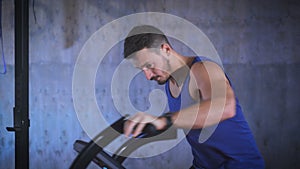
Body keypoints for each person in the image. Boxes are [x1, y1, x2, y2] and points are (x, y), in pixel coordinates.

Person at [122, 25, 264, 169]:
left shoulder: (204, 68)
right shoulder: (170, 83)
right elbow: (193, 123)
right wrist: (145, 128)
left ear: (165, 50)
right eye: (142, 70)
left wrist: (165, 120)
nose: (148, 76)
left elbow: (226, 106)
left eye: (150, 65)